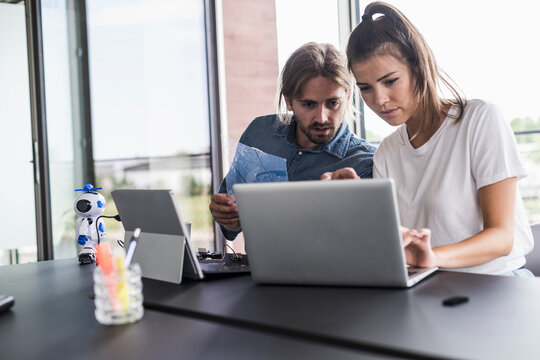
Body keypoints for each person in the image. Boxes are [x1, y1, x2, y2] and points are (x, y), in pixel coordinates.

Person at [322, 2, 534, 276]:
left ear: (419, 68)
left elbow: (502, 238)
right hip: (429, 285)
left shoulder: (480, 119)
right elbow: (398, 241)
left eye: (390, 81)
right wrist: (358, 206)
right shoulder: (387, 151)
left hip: (498, 284)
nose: (379, 100)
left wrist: (431, 257)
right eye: (366, 88)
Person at [210, 42, 376, 240]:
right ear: (289, 101)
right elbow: (231, 227)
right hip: (258, 270)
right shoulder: (260, 133)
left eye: (333, 103)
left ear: (348, 97)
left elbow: (364, 245)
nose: (322, 117)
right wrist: (229, 217)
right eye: (308, 104)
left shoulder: (365, 163)